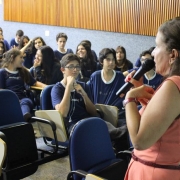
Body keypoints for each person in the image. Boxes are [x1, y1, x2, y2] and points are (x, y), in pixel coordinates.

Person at [124, 17, 180, 179]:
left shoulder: (172, 85)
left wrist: (130, 99)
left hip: (153, 173)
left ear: (173, 55)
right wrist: (147, 102)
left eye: (157, 46)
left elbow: (140, 141)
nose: (153, 53)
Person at [51, 53, 127, 142]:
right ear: (63, 69)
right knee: (100, 131)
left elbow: (93, 111)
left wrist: (84, 94)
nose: (75, 70)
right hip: (72, 125)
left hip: (89, 120)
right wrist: (68, 87)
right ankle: (120, 134)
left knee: (102, 124)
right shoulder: (57, 89)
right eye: (71, 67)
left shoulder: (83, 86)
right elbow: (62, 113)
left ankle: (121, 137)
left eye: (77, 67)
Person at [0, 49, 46, 121]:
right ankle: (24, 119)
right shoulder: (2, 72)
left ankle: (25, 117)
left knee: (26, 101)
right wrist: (13, 100)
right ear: (12, 57)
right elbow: (1, 91)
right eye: (20, 57)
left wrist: (47, 87)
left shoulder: (23, 71)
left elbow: (34, 83)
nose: (23, 60)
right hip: (9, 100)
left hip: (23, 99)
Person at [88, 48, 126, 126]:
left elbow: (123, 99)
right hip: (97, 116)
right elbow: (89, 96)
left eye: (113, 59)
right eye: (108, 60)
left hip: (116, 117)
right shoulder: (95, 76)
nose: (111, 62)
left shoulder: (120, 77)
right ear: (102, 61)